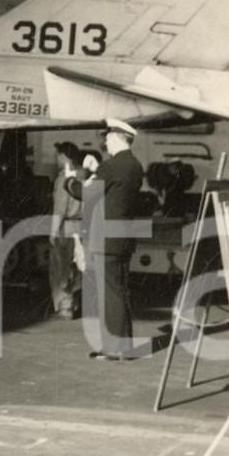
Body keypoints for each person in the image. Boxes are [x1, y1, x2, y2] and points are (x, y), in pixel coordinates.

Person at [75, 119, 145, 359]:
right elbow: (115, 188)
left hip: (106, 238)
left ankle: (114, 349)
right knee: (120, 290)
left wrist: (69, 178)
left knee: (109, 293)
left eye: (107, 138)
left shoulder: (113, 165)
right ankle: (122, 346)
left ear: (116, 137)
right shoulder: (134, 165)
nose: (105, 142)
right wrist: (98, 169)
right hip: (124, 235)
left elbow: (84, 193)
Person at [48, 141, 83, 320]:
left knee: (60, 267)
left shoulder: (63, 178)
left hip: (66, 226)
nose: (56, 160)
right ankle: (74, 305)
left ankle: (65, 308)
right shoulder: (85, 175)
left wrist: (53, 232)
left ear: (64, 157)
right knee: (77, 267)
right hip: (82, 226)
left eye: (58, 156)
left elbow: (60, 209)